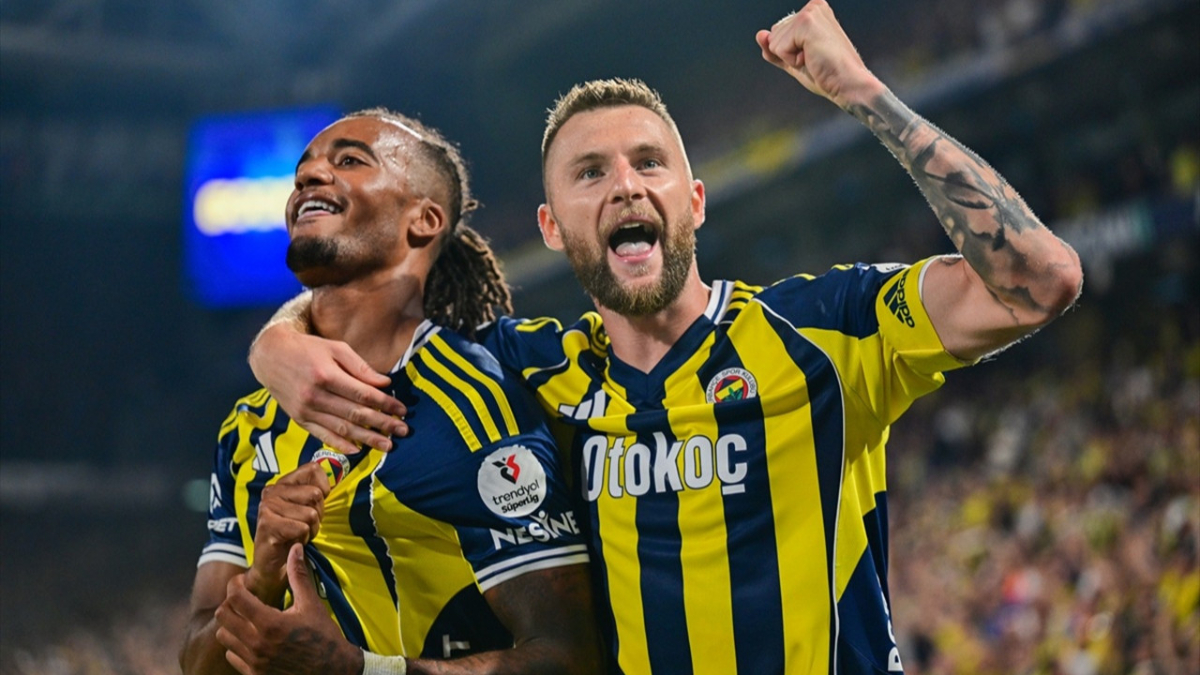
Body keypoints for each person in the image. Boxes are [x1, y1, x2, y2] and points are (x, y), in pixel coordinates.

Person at [247, 3, 1084, 673]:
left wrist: (864, 91)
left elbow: (1040, 281)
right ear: (551, 226)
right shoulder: (532, 369)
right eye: (590, 172)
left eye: (649, 163)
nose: (625, 186)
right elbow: (375, 319)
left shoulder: (826, 329)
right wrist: (278, 341)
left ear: (694, 202)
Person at [179, 108, 603, 675]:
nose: (308, 176)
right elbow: (199, 662)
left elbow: (570, 657)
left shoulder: (476, 399)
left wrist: (359, 670)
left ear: (423, 220)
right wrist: (264, 572)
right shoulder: (248, 426)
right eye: (303, 170)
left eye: (351, 160)